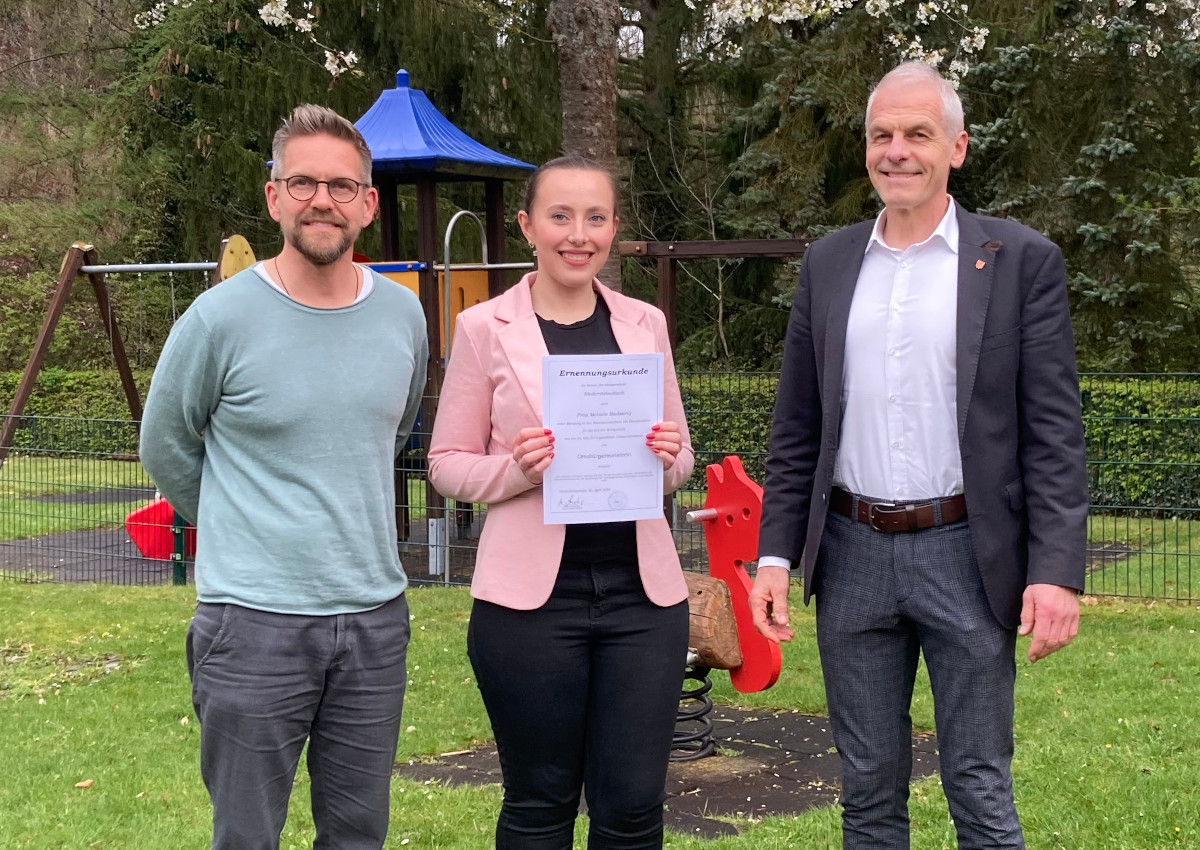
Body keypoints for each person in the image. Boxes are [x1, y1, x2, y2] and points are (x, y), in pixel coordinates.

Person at [748, 62, 1088, 849]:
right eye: (881, 135)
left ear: (957, 148)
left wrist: (1056, 570)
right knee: (866, 795)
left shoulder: (1020, 261)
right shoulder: (828, 263)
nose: (896, 151)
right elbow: (796, 428)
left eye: (917, 134)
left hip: (969, 554)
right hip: (852, 555)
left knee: (978, 785)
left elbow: (1054, 431)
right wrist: (774, 555)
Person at [139, 104, 428, 850]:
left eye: (341, 185)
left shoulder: (404, 318)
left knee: (359, 833)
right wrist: (243, 524)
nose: (321, 200)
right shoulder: (216, 320)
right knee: (246, 837)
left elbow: (387, 436)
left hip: (373, 618)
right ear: (274, 197)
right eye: (302, 182)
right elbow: (165, 444)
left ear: (367, 203)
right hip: (250, 623)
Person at [427, 154, 693, 850]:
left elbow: (680, 458)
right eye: (560, 216)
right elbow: (446, 465)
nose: (579, 234)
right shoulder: (485, 328)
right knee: (540, 804)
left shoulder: (645, 325)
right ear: (527, 226)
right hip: (528, 607)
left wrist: (668, 461)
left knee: (633, 808)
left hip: (643, 601)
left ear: (613, 229)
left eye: (596, 218)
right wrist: (516, 473)